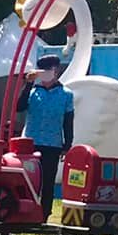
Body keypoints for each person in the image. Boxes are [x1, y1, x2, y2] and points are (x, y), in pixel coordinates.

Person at [23, 54, 73, 209]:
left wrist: (67, 145)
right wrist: (28, 85)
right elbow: (19, 107)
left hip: (52, 144)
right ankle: (28, 208)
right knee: (29, 178)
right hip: (31, 143)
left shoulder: (66, 95)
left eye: (47, 70)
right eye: (41, 70)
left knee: (48, 179)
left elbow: (68, 121)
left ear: (56, 71)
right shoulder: (33, 92)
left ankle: (45, 211)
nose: (43, 74)